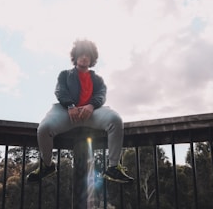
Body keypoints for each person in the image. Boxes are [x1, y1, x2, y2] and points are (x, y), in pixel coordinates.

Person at [28, 39, 134, 184]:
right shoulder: (65, 75)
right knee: (44, 129)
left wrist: (91, 105)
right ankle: (47, 166)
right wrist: (70, 106)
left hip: (91, 113)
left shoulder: (97, 79)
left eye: (88, 55)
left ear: (92, 58)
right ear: (75, 56)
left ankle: (113, 167)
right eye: (81, 54)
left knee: (115, 120)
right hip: (67, 112)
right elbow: (60, 91)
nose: (84, 57)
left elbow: (101, 94)